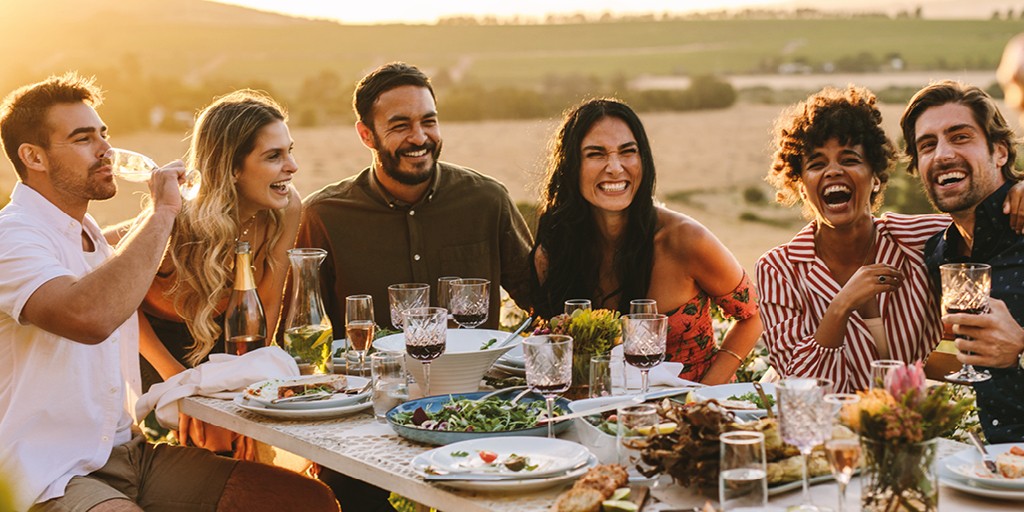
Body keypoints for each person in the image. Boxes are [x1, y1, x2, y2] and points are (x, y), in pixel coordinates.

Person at [0, 74, 337, 511]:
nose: (106, 150)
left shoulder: (88, 236)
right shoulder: (13, 237)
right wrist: (164, 212)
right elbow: (89, 317)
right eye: (84, 139)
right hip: (47, 473)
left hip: (128, 455)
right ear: (34, 156)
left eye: (104, 134)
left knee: (303, 501)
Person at [110, 90, 301, 457]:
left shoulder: (287, 206)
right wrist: (176, 380)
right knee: (209, 441)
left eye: (289, 151)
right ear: (232, 167)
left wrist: (253, 375)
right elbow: (123, 302)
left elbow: (269, 302)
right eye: (274, 156)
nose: (291, 166)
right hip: (152, 346)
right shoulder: (177, 221)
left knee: (255, 430)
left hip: (223, 340)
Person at [755, 86, 980, 392]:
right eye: (817, 164)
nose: (833, 171)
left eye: (849, 160)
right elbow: (800, 384)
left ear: (875, 176)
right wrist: (841, 304)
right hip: (820, 430)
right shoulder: (778, 269)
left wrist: (1017, 192)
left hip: (903, 424)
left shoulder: (921, 240)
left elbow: (988, 220)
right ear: (800, 183)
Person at [530, 98, 761, 385]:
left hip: (690, 414)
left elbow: (753, 315)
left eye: (628, 152)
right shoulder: (554, 254)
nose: (615, 167)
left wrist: (705, 393)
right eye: (596, 154)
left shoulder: (686, 239)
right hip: (598, 413)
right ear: (570, 166)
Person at [297, 61, 534, 331]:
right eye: (400, 126)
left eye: (428, 121)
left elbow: (541, 299)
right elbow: (301, 328)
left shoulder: (488, 200)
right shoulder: (322, 215)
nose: (420, 138)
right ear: (366, 135)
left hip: (473, 374)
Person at [901, 80, 1024, 443]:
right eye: (927, 145)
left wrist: (1020, 349)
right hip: (978, 468)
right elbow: (957, 360)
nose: (942, 154)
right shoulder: (939, 254)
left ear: (1000, 152)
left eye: (960, 137)